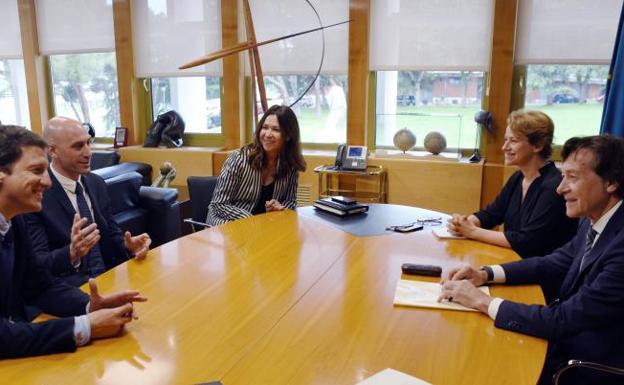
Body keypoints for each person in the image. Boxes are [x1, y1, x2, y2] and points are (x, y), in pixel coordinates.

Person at [439, 135, 624, 385]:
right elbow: (553, 262)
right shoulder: (596, 219)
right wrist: (484, 274)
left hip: (586, 365)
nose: (560, 189)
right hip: (566, 338)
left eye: (573, 177)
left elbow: (564, 320)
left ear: (611, 182)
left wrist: (482, 301)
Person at [0, 124, 146, 358]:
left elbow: (39, 285)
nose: (47, 182)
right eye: (37, 170)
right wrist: (85, 326)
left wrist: (90, 306)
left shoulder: (13, 221)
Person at [25, 117, 151, 287]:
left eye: (88, 143)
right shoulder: (37, 194)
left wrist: (127, 245)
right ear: (52, 151)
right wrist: (71, 254)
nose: (88, 152)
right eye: (78, 146)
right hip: (67, 290)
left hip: (108, 279)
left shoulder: (96, 183)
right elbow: (38, 265)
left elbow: (112, 233)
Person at [448, 110, 578, 259]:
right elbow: (491, 214)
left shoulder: (553, 186)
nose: (505, 147)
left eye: (513, 141)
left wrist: (472, 231)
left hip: (539, 273)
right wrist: (463, 223)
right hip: (515, 261)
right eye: (506, 140)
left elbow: (526, 241)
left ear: (537, 145)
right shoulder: (518, 177)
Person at [207, 105, 306, 226]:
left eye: (276, 129)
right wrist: (250, 219)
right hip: (227, 225)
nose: (268, 134)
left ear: (288, 136)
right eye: (265, 127)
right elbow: (218, 205)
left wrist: (280, 208)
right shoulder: (239, 158)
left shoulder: (291, 165)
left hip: (263, 228)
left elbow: (290, 202)